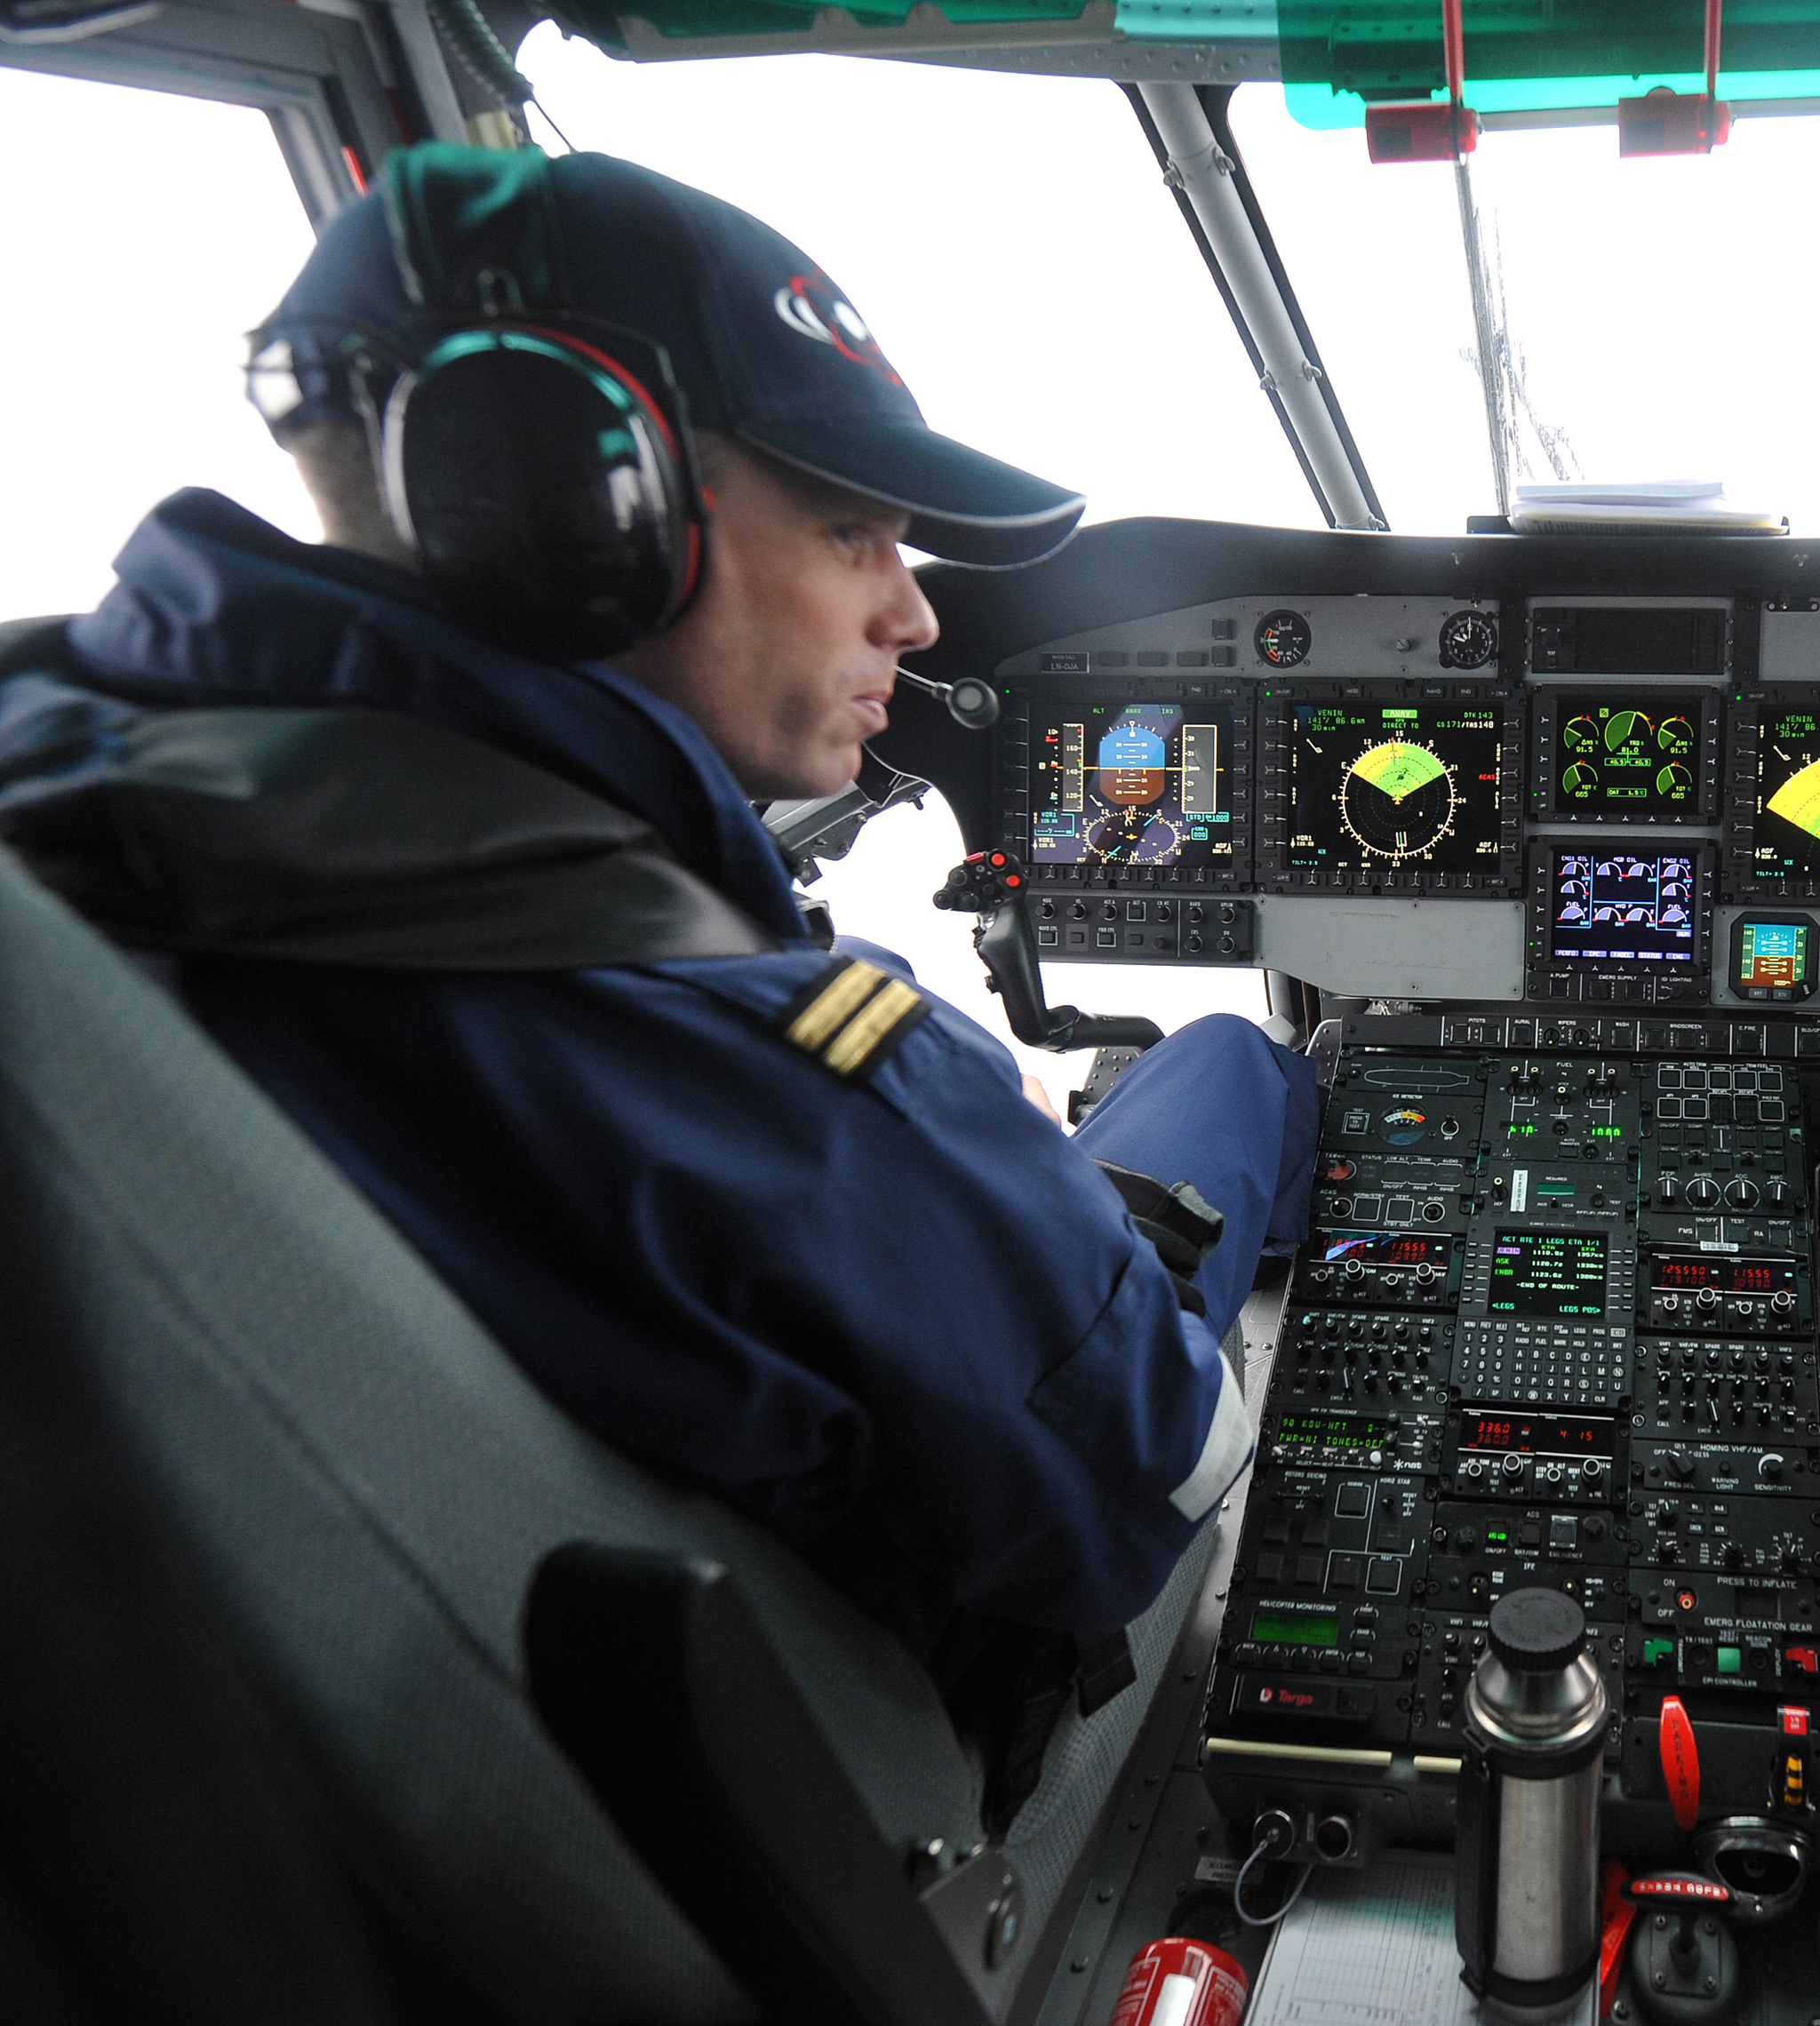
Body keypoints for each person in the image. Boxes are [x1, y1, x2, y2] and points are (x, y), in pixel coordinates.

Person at [0, 144, 1318, 1735]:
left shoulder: (64, 817)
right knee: (1235, 1061)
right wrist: (995, 1158)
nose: (913, 615)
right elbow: (1156, 1470)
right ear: (574, 506)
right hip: (860, 1739)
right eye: (854, 531)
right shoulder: (769, 1076)